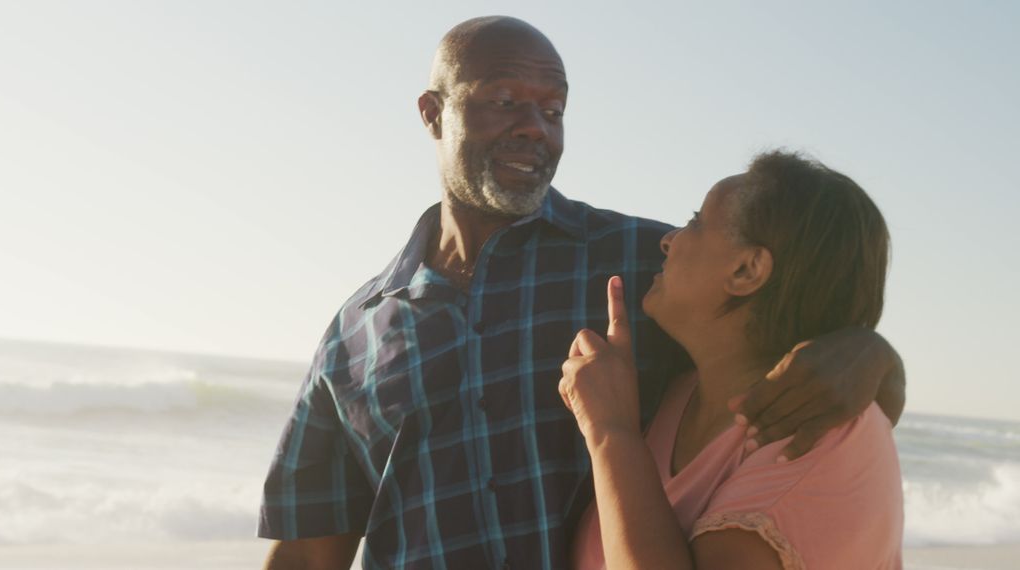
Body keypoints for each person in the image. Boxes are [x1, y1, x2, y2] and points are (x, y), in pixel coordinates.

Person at [258, 17, 905, 570]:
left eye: (553, 109)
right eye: (504, 100)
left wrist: (869, 351)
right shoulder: (355, 334)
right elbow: (306, 555)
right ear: (433, 112)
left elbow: (788, 316)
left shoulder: (639, 267)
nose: (535, 127)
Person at [562, 152, 903, 569]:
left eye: (695, 221)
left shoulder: (816, 436)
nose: (667, 240)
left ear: (747, 270)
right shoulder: (680, 394)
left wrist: (611, 432)